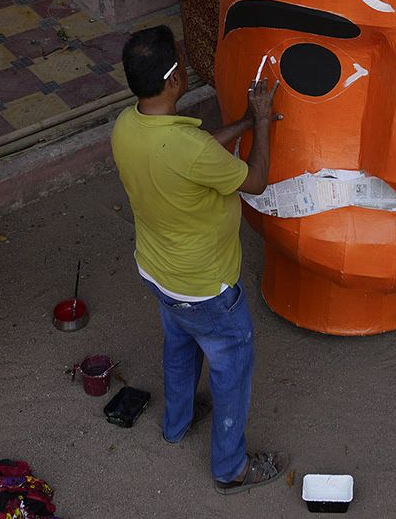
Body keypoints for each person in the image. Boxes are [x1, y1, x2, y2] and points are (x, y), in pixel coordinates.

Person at [110, 25, 290, 493]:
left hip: (159, 273)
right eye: (183, 62)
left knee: (179, 349)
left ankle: (177, 423)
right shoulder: (186, 150)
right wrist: (264, 126)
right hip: (207, 288)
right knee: (231, 373)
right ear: (173, 81)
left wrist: (247, 122)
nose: (188, 68)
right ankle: (231, 468)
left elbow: (200, 153)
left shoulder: (127, 126)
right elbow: (255, 182)